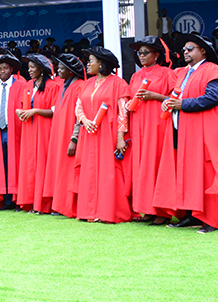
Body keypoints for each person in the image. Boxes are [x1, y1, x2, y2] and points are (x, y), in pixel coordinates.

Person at [158, 35, 218, 233]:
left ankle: (211, 220)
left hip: (203, 132)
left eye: (190, 49)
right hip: (183, 131)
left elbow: (214, 97)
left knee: (205, 175)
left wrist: (183, 104)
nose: (185, 52)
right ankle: (192, 216)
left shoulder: (213, 70)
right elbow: (178, 96)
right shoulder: (183, 74)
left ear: (203, 51)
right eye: (184, 49)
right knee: (188, 174)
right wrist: (169, 102)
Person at [73, 47, 132, 224]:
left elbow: (123, 112)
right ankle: (89, 211)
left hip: (108, 132)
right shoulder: (86, 83)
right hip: (89, 132)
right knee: (89, 170)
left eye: (91, 60)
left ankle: (107, 212)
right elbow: (78, 106)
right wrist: (84, 119)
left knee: (107, 171)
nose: (88, 64)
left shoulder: (118, 83)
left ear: (102, 64)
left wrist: (120, 137)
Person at [125, 36, 178, 225]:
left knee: (156, 163)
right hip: (139, 123)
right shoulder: (135, 75)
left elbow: (176, 97)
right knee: (141, 165)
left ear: (156, 55)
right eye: (139, 53)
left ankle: (162, 211)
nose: (141, 56)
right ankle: (146, 209)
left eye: (145, 52)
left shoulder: (167, 73)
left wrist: (155, 96)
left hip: (158, 123)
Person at [14, 54, 60, 213]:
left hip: (44, 130)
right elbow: (23, 106)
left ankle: (46, 204)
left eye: (33, 67)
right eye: (29, 67)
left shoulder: (53, 86)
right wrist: (19, 111)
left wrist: (35, 111)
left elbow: (55, 111)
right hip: (29, 130)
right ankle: (31, 202)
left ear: (42, 69)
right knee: (30, 165)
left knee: (44, 164)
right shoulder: (28, 85)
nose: (29, 70)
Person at [45, 53, 85, 218]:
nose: (58, 71)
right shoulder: (62, 85)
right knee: (60, 169)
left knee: (70, 171)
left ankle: (70, 207)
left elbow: (79, 115)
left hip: (70, 133)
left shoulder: (80, 86)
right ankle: (60, 205)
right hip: (59, 133)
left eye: (61, 68)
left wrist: (74, 138)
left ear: (70, 71)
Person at [0, 55, 27, 210]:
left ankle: (17, 200)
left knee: (15, 165)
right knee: (1, 166)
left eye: (5, 68)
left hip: (15, 131)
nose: (3, 71)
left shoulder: (21, 85)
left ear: (11, 69)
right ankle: (4, 200)